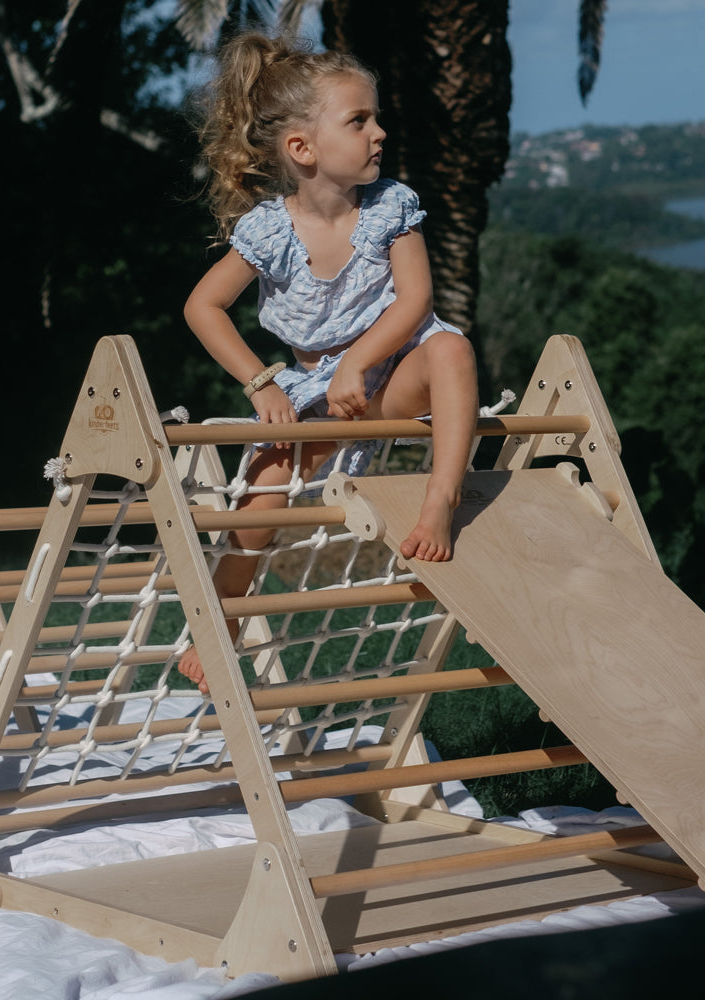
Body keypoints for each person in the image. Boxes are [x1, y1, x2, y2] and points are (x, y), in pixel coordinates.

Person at [178, 33, 478, 693]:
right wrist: (260, 382)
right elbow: (203, 307)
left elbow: (418, 298)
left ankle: (442, 499)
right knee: (258, 502)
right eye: (360, 120)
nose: (380, 131)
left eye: (375, 118)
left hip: (389, 374)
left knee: (451, 348)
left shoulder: (390, 209)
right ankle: (219, 624)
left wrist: (360, 361)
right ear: (302, 149)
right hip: (313, 391)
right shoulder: (270, 232)